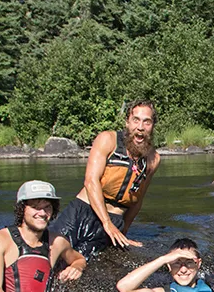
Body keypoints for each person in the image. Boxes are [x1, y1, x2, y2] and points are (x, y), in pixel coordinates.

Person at [51, 100, 161, 258]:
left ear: (152, 125)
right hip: (82, 211)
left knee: (83, 262)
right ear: (127, 122)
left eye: (147, 122)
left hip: (115, 218)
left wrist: (123, 234)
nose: (140, 127)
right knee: (53, 251)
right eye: (135, 120)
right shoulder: (108, 140)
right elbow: (90, 181)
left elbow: (137, 200)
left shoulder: (153, 158)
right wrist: (106, 223)